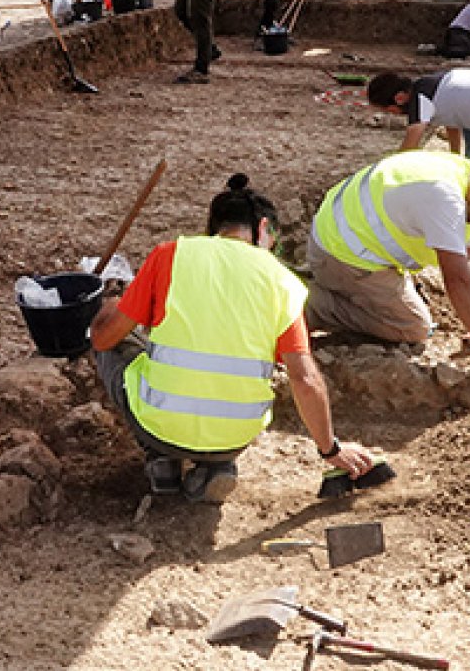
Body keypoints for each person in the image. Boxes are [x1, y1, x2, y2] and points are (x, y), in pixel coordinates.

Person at [91, 173, 377, 504]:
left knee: (116, 349)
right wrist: (331, 450)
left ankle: (161, 459)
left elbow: (103, 339)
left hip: (159, 425)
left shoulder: (170, 255)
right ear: (263, 228)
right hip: (236, 435)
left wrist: (107, 305)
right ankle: (217, 465)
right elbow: (305, 377)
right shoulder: (283, 282)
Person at [304, 152, 470, 380]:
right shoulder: (444, 198)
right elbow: (457, 279)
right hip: (341, 252)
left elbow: (467, 258)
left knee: (420, 305)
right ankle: (309, 303)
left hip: (350, 233)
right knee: (413, 327)